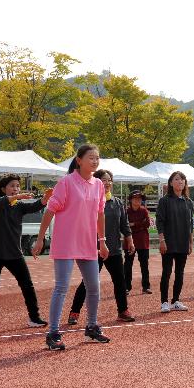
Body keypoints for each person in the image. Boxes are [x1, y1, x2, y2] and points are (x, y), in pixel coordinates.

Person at [32, 144, 110, 350]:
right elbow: (49, 211)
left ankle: (92, 326)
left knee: (94, 287)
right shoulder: (66, 183)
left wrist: (102, 241)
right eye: (91, 157)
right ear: (79, 160)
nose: (95, 161)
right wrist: (40, 239)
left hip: (87, 243)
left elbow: (100, 214)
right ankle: (53, 333)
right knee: (61, 287)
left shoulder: (98, 185)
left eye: (97, 158)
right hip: (65, 242)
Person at [0, 174, 50, 333]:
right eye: (12, 186)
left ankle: (34, 318)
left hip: (14, 254)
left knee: (27, 285)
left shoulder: (20, 206)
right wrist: (17, 197)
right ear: (3, 189)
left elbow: (36, 206)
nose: (16, 188)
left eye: (17, 186)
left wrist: (45, 198)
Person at [68, 169, 135, 325]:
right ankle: (74, 312)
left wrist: (129, 240)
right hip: (93, 250)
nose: (107, 183)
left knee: (120, 281)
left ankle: (123, 311)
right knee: (87, 282)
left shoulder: (117, 203)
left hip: (114, 250)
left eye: (109, 180)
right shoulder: (89, 200)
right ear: (96, 182)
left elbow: (124, 224)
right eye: (104, 180)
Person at [157, 171, 194, 313]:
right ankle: (164, 302)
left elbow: (190, 224)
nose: (180, 181)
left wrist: (191, 243)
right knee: (166, 272)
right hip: (168, 242)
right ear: (171, 183)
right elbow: (160, 222)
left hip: (183, 242)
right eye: (177, 179)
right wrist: (162, 240)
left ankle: (176, 301)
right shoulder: (164, 201)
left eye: (182, 179)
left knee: (180, 273)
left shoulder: (188, 202)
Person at [124, 191, 152, 295]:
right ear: (130, 200)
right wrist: (139, 224)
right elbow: (125, 225)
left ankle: (146, 286)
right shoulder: (126, 211)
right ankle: (126, 287)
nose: (138, 200)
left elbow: (147, 223)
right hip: (129, 241)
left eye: (140, 199)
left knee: (144, 265)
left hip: (143, 241)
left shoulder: (144, 211)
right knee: (127, 265)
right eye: (135, 198)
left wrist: (133, 224)